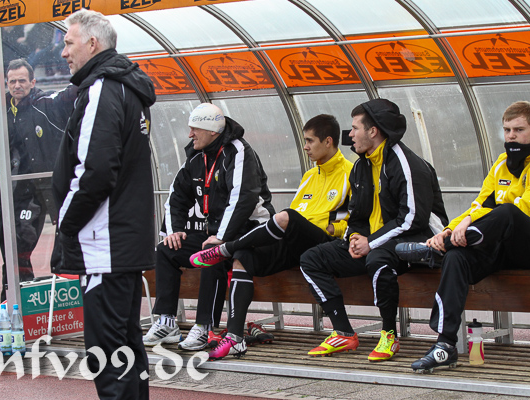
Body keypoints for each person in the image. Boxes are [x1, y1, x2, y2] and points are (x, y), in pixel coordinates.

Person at [397, 101, 530, 373]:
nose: (511, 136)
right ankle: (445, 345)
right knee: (457, 258)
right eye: (507, 130)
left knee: (509, 212)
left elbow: (523, 209)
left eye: (519, 130)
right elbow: (480, 204)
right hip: (501, 243)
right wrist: (452, 228)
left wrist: (466, 226)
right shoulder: (501, 163)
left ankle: (439, 248)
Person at [52, 9, 156, 399]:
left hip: (105, 244)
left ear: (92, 44)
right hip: (120, 241)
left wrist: (65, 221)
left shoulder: (101, 88)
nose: (64, 52)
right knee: (126, 346)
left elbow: (95, 170)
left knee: (108, 354)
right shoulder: (126, 87)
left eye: (68, 42)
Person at [190, 114, 354, 360]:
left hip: (324, 244)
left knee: (286, 216)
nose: (305, 147)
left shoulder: (350, 173)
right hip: (296, 242)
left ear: (328, 141)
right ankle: (235, 338)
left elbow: (354, 221)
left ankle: (225, 247)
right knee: (243, 256)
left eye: (310, 141)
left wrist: (334, 229)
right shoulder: (310, 176)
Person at [299, 99, 448, 361]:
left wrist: (371, 242)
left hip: (416, 240)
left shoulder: (406, 163)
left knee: (379, 258)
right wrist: (354, 238)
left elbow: (412, 218)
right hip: (376, 241)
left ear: (373, 131)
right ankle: (343, 332)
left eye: (355, 128)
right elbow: (356, 215)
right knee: (311, 258)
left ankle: (389, 335)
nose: (350, 134)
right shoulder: (361, 165)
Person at [142, 102, 275, 352]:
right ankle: (167, 321)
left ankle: (204, 327)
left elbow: (243, 198)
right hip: (217, 235)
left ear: (212, 131)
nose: (189, 134)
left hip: (250, 233)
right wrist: (174, 230)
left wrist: (221, 237)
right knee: (167, 250)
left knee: (211, 254)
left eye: (195, 129)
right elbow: (176, 197)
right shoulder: (196, 156)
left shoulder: (239, 151)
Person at [0, 58, 76, 302]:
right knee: (16, 248)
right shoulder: (1, 112)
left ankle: (70, 301)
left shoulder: (46, 104)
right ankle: (16, 303)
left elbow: (69, 96)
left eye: (22, 81)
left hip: (53, 185)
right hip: (21, 190)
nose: (17, 85)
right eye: (12, 81)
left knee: (68, 240)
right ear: (6, 83)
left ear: (32, 82)